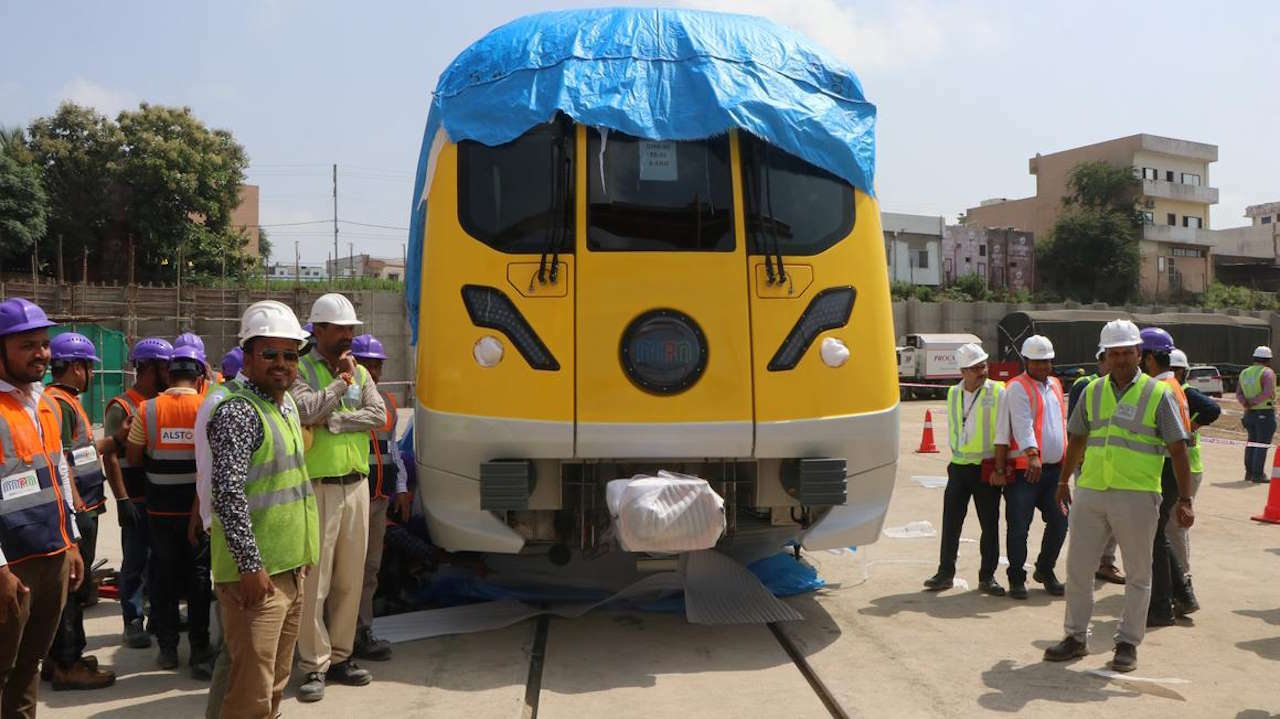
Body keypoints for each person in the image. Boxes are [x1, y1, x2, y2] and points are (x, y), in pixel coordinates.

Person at [1043, 319, 1195, 673]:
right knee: (1079, 568)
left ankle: (1127, 643)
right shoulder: (1093, 391)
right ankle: (1075, 637)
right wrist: (1064, 480)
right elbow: (1078, 439)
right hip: (1092, 491)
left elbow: (1178, 449)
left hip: (1138, 494)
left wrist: (1185, 499)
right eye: (1115, 353)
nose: (1122, 359)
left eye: (1128, 352)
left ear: (1140, 355)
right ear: (1105, 356)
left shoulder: (1158, 394)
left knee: (1139, 573)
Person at [208, 300, 318, 719]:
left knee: (273, 685)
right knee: (250, 693)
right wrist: (250, 566)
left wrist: (302, 558)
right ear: (248, 357)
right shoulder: (239, 411)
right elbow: (228, 494)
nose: (282, 363)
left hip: (288, 569)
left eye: (290, 355)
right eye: (270, 354)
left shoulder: (282, 405)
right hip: (257, 578)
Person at [290, 294, 386, 702]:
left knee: (351, 577)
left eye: (352, 329)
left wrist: (338, 419)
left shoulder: (361, 371)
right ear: (318, 330)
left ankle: (343, 656)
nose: (348, 336)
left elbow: (379, 415)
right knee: (316, 583)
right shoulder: (301, 370)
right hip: (318, 487)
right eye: (341, 329)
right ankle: (314, 665)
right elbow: (305, 408)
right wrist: (341, 385)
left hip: (356, 486)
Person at [0, 298, 85, 717]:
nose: (42, 353)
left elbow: (60, 474)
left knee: (30, 665)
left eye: (44, 343)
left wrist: (72, 540)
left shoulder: (44, 404)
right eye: (27, 345)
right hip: (11, 565)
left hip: (52, 554)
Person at [127, 345, 214, 678]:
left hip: (160, 511)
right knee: (198, 580)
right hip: (197, 512)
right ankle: (200, 650)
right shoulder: (208, 407)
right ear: (199, 376)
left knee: (162, 578)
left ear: (170, 373)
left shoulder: (147, 409)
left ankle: (166, 649)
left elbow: (134, 458)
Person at [43, 333, 123, 690]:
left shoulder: (67, 403)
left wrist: (116, 440)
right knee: (74, 589)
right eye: (89, 367)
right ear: (77, 367)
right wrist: (75, 505)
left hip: (85, 505)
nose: (90, 374)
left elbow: (83, 452)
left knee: (74, 587)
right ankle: (66, 662)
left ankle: (60, 657)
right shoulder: (57, 404)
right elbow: (57, 460)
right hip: (77, 510)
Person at [104, 336, 172, 650]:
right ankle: (133, 620)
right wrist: (122, 500)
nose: (171, 373)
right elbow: (110, 456)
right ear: (149, 368)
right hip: (135, 496)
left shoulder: (162, 403)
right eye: (165, 367)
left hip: (158, 495)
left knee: (158, 560)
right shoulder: (122, 406)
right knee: (133, 561)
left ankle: (158, 615)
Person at [350, 334, 412, 660]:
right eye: (367, 364)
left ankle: (362, 631)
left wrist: (400, 490)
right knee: (344, 573)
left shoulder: (388, 404)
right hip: (350, 499)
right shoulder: (346, 401)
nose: (373, 371)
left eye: (377, 365)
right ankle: (339, 638)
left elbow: (395, 452)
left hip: (378, 501)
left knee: (370, 569)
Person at [994, 334, 1068, 600]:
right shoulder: (1016, 387)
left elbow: (1060, 424)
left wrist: (1067, 462)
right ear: (1025, 361)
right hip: (1026, 471)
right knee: (1019, 527)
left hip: (1053, 471)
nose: (1042, 367)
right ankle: (1016, 578)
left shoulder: (1056, 385)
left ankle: (1045, 570)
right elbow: (1023, 424)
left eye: (1046, 361)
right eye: (1037, 362)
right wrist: (1032, 453)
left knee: (1060, 521)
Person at [1138, 327, 1197, 626]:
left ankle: (1161, 606)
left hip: (1162, 469)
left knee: (1153, 541)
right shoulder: (1173, 384)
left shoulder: (1158, 390)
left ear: (1148, 358)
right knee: (1158, 536)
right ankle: (1183, 594)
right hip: (1170, 470)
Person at [1169, 347, 1219, 612]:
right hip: (1185, 465)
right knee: (1175, 526)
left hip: (1186, 466)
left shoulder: (1183, 391)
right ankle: (1177, 579)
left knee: (1174, 527)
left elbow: (1213, 408)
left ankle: (1182, 582)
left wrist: (1193, 426)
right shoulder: (1175, 391)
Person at [1070, 349, 1124, 585]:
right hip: (1088, 463)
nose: (1116, 364)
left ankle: (1106, 562)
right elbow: (1075, 425)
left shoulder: (1123, 387)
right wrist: (1077, 457)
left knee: (1114, 518)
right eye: (1110, 359)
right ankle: (1087, 561)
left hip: (1116, 465)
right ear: (1101, 361)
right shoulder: (1086, 385)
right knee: (1088, 516)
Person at [1237, 345, 1275, 483]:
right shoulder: (1267, 373)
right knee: (1261, 444)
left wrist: (1246, 403)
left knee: (1252, 443)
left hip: (1249, 414)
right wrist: (1253, 402)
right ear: (1268, 360)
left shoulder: (1244, 373)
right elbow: (1268, 392)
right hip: (1264, 413)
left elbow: (1239, 393)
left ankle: (1249, 473)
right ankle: (1258, 474)